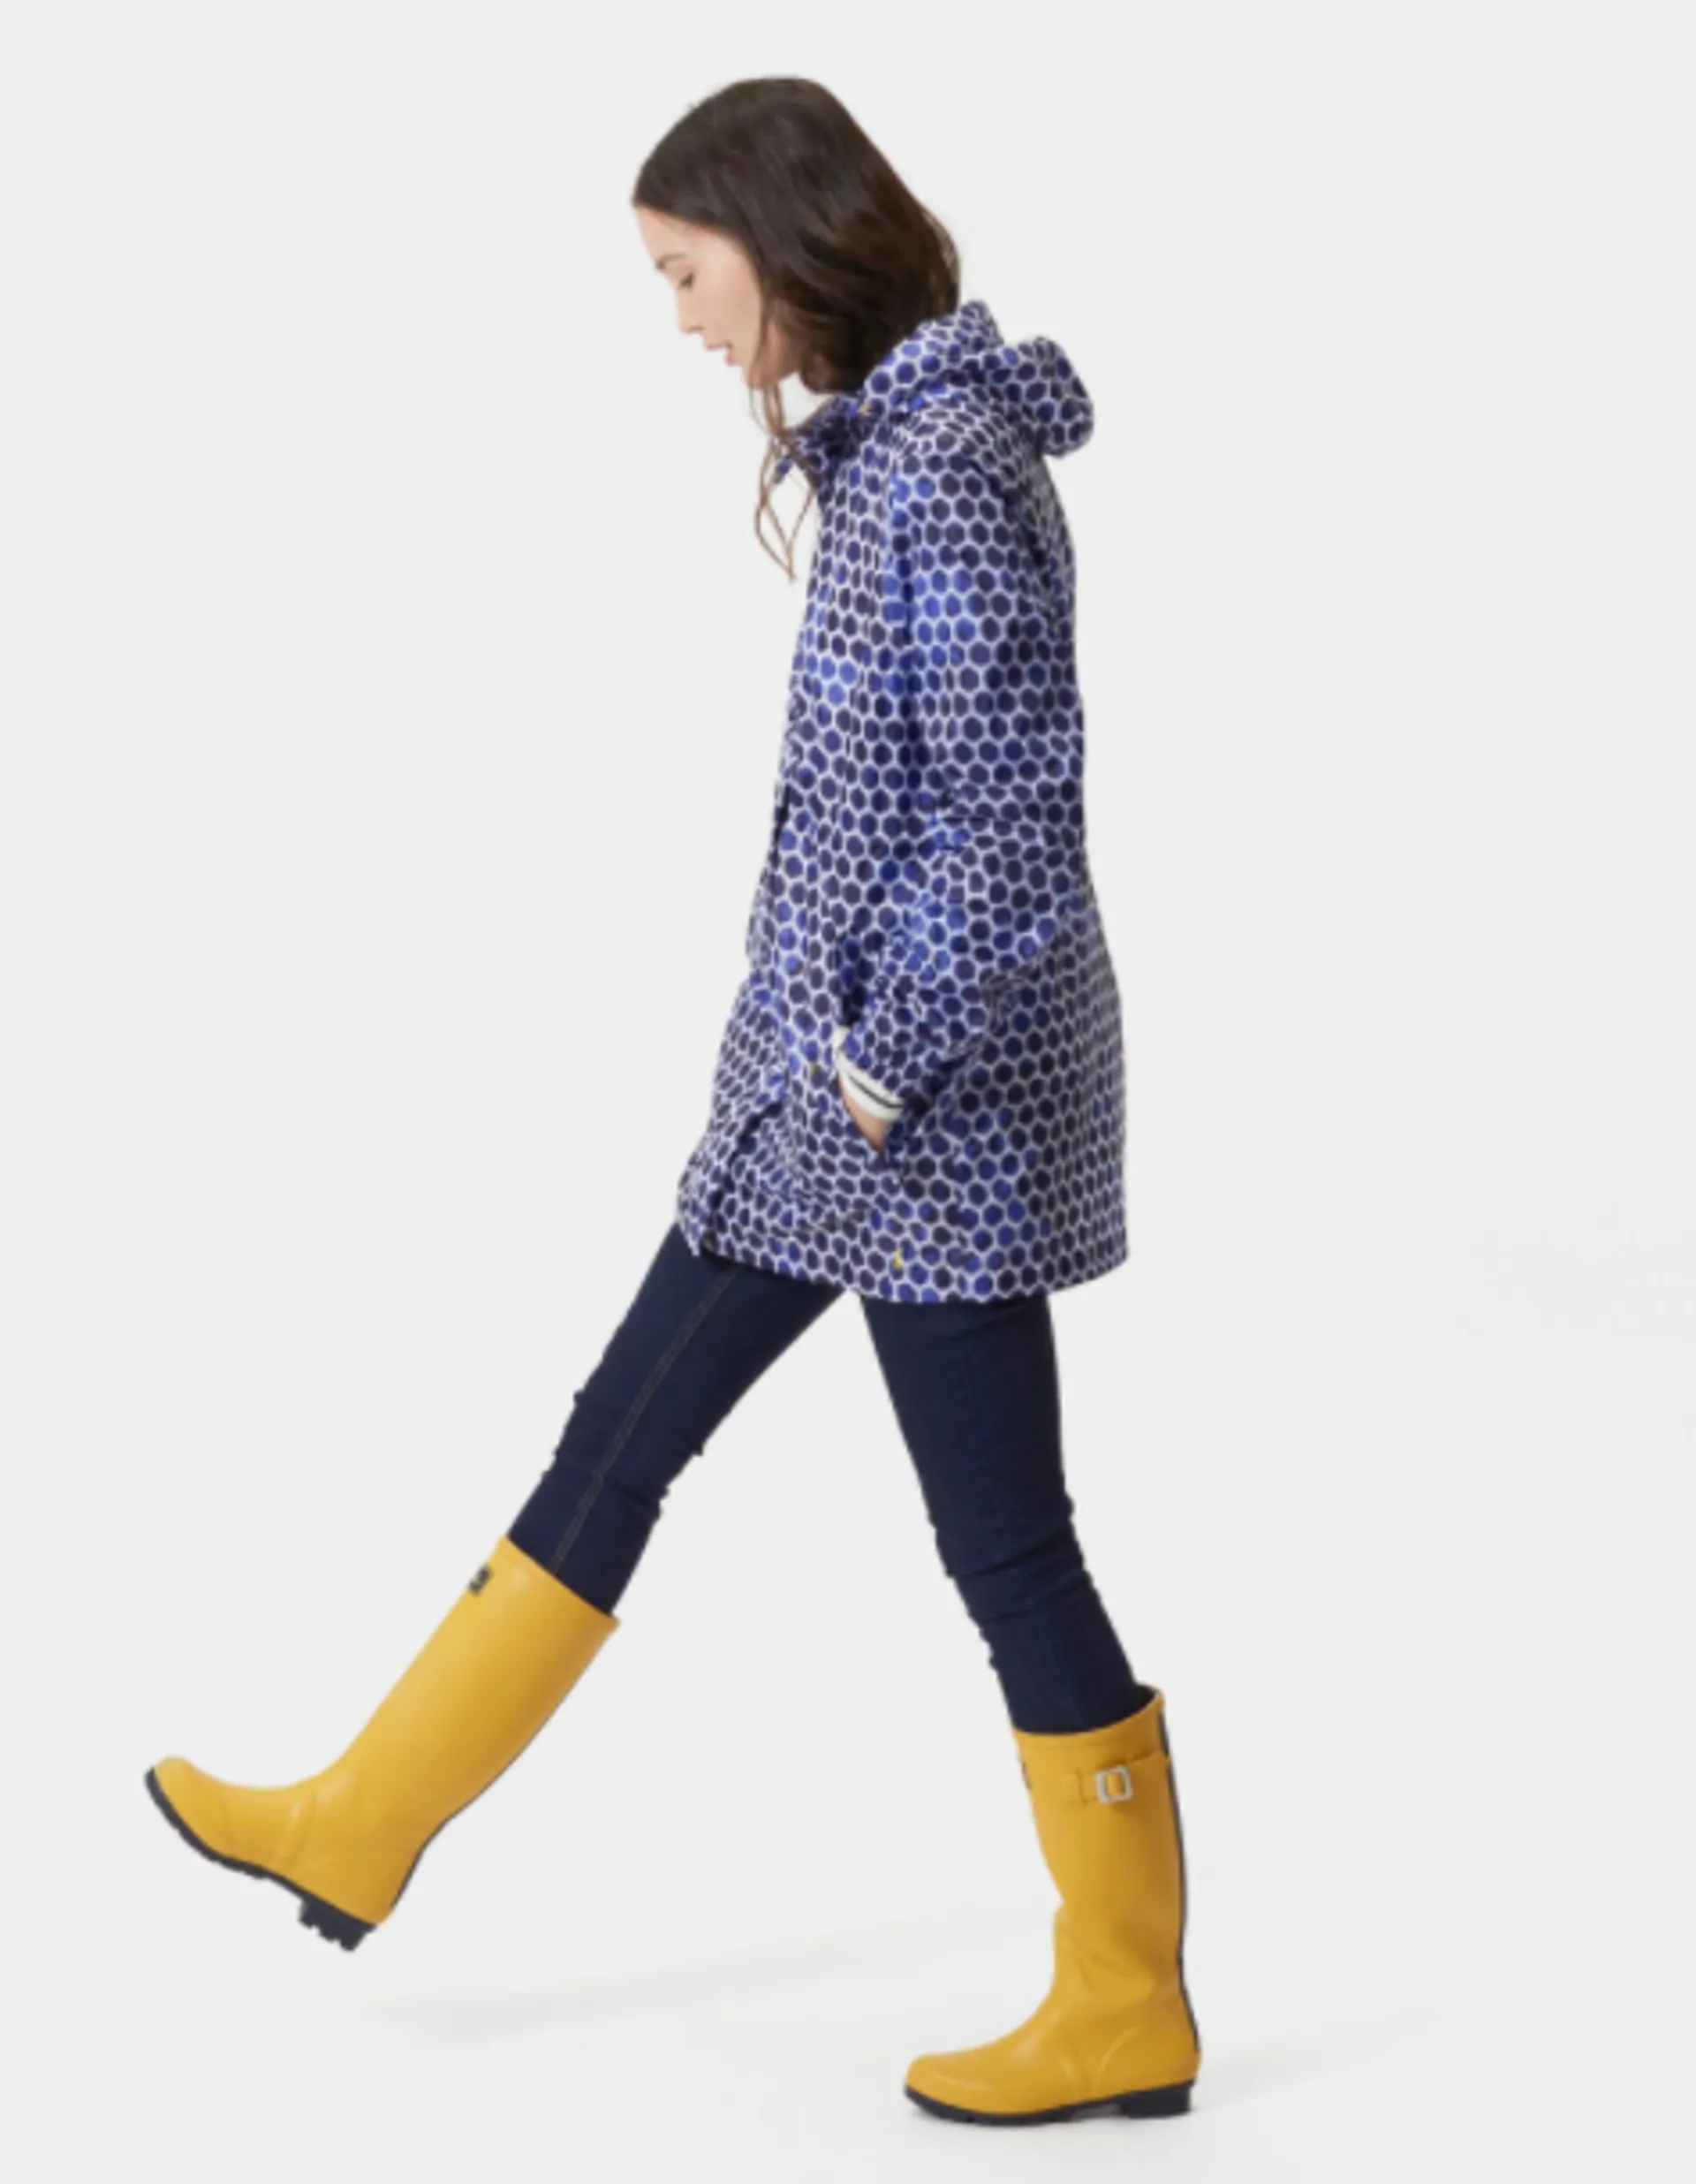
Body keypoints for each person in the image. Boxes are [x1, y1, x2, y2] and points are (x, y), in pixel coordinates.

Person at [143, 78, 1202, 2130]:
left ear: (783, 240)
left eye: (685, 272)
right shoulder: (890, 450)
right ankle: (364, 1818)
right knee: (622, 1438)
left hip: (924, 1132)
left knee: (1007, 1550)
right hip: (828, 1119)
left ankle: (1125, 1998)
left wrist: (875, 1071)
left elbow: (1009, 828)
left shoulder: (944, 469)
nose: (685, 320)